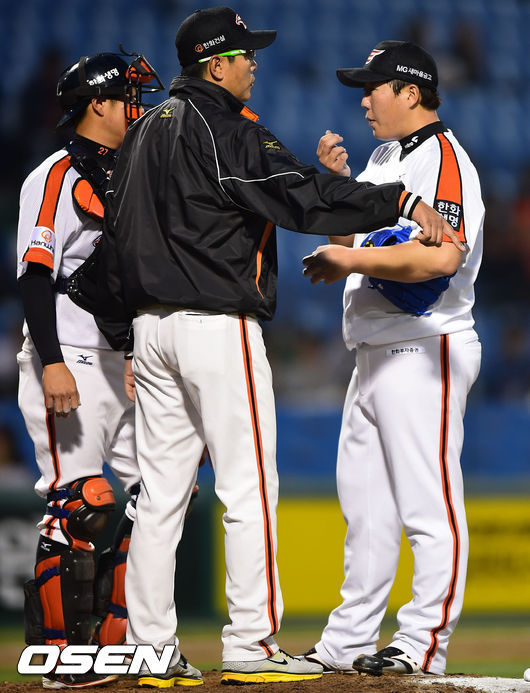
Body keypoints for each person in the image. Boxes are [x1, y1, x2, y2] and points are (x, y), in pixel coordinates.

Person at [95, 10, 463, 687]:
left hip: (149, 333)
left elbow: (109, 247)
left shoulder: (142, 129)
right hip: (214, 325)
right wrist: (400, 201)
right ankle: (251, 643)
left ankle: (150, 647)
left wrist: (124, 340)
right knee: (249, 487)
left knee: (160, 497)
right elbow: (299, 197)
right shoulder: (225, 127)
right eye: (243, 53)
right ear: (215, 65)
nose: (253, 62)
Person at [300, 41, 483, 676]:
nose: (363, 99)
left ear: (410, 92)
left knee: (429, 506)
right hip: (373, 351)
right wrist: (337, 190)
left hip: (424, 344)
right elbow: (350, 240)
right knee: (367, 512)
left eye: (373, 87)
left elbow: (442, 256)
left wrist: (348, 257)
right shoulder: (383, 159)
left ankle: (423, 642)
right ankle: (346, 643)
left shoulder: (445, 160)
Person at [16, 49, 164, 689]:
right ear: (97, 103)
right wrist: (51, 363)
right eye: (129, 96)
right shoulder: (51, 175)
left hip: (123, 361)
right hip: (69, 357)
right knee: (80, 503)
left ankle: (119, 640)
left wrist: (133, 353)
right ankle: (60, 656)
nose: (138, 107)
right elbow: (35, 274)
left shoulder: (131, 172)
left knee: (160, 496)